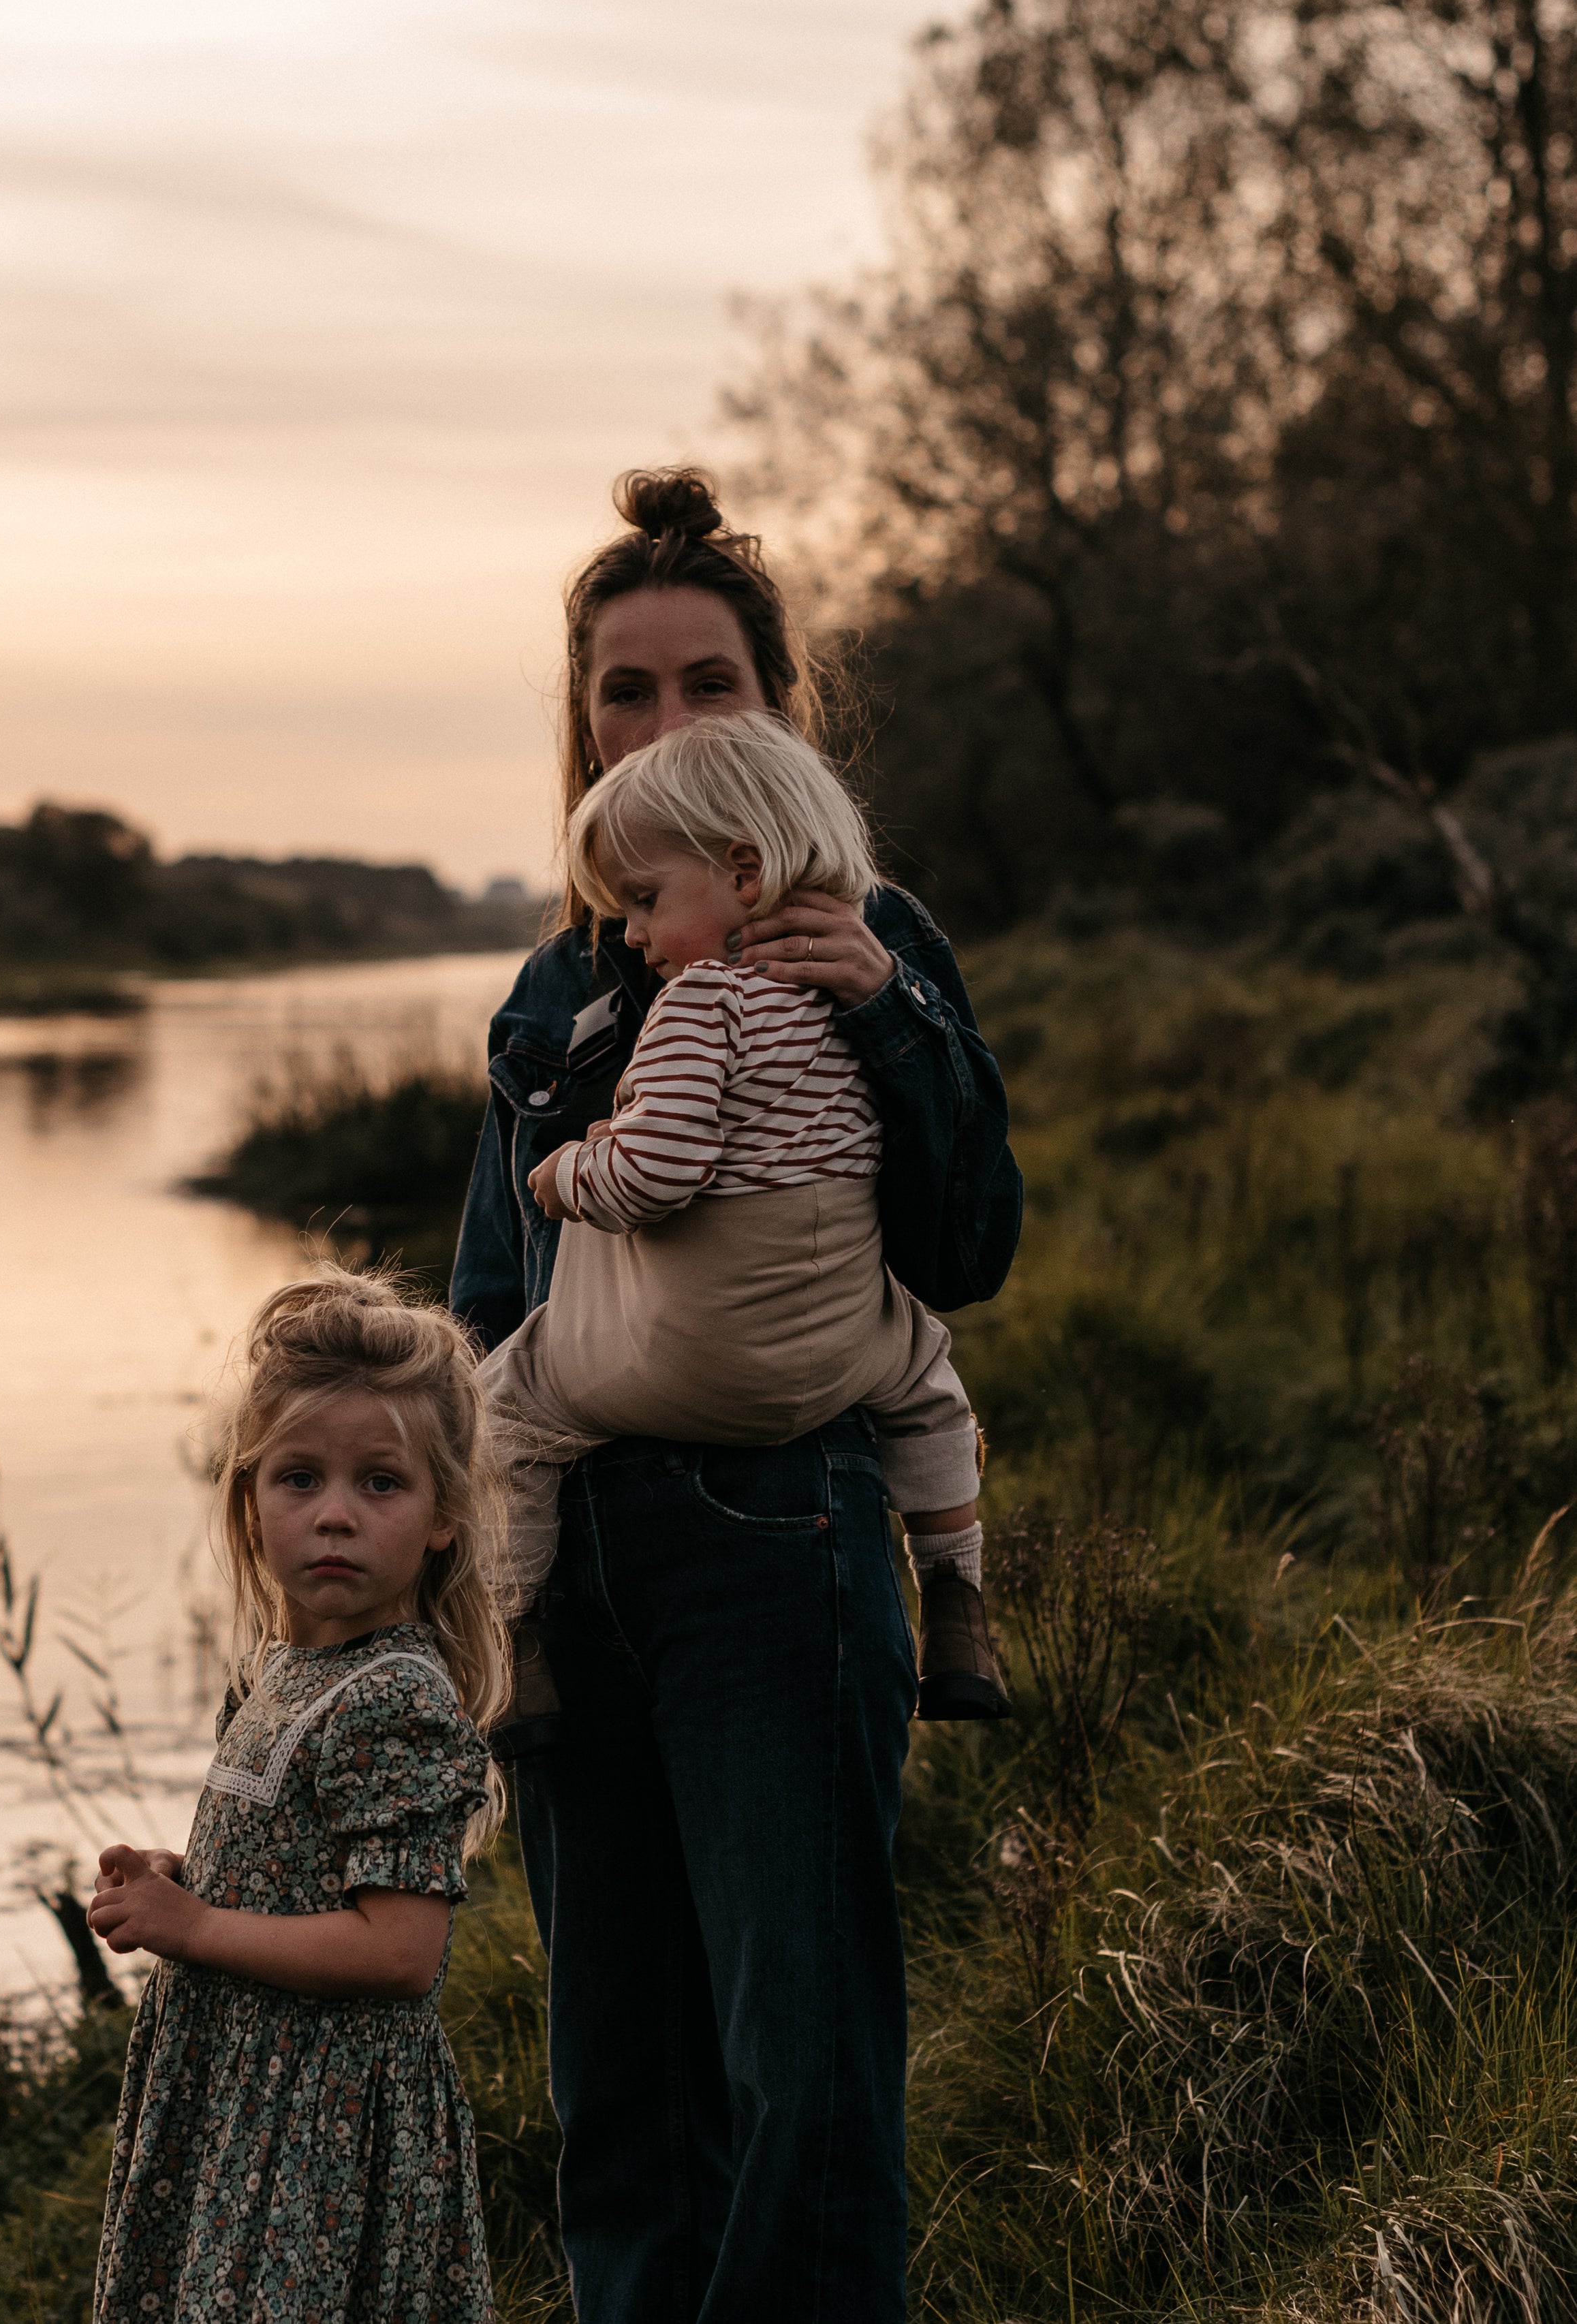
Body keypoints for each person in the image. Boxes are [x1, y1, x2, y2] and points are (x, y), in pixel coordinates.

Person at [449, 466, 1025, 2324]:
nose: (667, 719)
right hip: (572, 1558)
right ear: (582, 725)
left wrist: (888, 1011)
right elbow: (492, 1291)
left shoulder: (873, 938)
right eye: (626, 690)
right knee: (618, 2076)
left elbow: (965, 1248)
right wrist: (460, 1563)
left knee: (802, 2055)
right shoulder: (557, 981)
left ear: (783, 709)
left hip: (781, 1536)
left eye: (712, 681)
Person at [479, 709, 1005, 1733]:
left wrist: (565, 1172)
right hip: (839, 1354)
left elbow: (658, 1173)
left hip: (692, 1357)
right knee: (928, 1379)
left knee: (510, 1406)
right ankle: (955, 1603)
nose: (632, 935)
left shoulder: (700, 1002)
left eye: (644, 901)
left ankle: (512, 1641)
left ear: (745, 872)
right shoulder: (849, 1007)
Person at [87, 1270, 509, 2324]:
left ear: (443, 1515)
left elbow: (398, 1952)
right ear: (248, 1499)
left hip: (320, 2119)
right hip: (242, 2095)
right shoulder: (277, 1670)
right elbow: (294, 1871)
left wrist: (197, 1926)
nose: (333, 1514)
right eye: (299, 1478)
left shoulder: (393, 1698)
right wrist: (182, 1883)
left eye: (380, 1483)